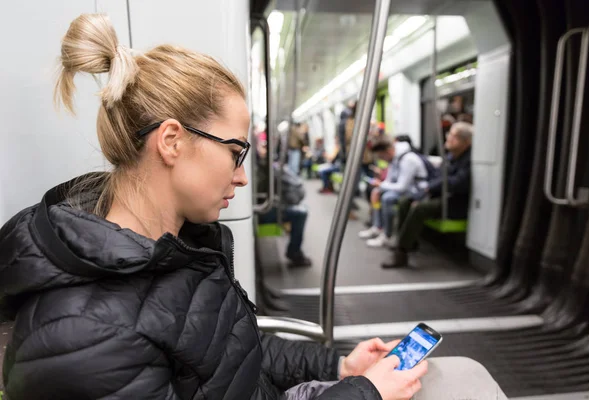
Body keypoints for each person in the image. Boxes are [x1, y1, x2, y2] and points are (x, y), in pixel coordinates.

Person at [0, 14, 508, 400]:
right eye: (235, 152)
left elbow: (237, 354)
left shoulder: (179, 246)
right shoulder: (81, 339)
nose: (242, 176)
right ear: (173, 141)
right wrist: (366, 394)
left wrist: (337, 368)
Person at [382, 122, 473, 268]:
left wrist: (430, 189)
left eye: (454, 136)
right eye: (449, 134)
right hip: (441, 194)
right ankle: (408, 242)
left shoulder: (469, 159)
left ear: (466, 142)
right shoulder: (451, 156)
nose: (448, 137)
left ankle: (401, 252)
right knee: (406, 201)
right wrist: (428, 189)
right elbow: (438, 177)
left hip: (455, 201)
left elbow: (458, 183)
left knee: (420, 208)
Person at [359, 136, 429, 248]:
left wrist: (381, 185)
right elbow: (390, 180)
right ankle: (378, 227)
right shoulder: (395, 159)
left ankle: (387, 235)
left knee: (387, 198)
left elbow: (402, 186)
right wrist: (379, 187)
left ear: (388, 151)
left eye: (382, 156)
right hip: (407, 189)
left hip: (417, 191)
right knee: (377, 192)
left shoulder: (408, 159)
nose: (382, 159)